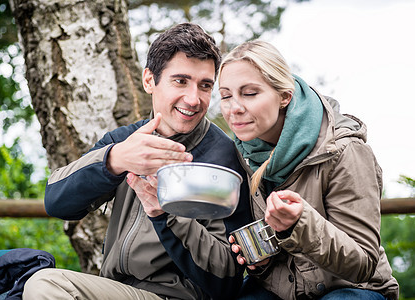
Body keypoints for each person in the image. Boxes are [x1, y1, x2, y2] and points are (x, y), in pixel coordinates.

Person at [22, 23, 252, 300]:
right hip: (115, 288)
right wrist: (114, 160)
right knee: (30, 279)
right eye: (180, 81)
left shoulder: (223, 157)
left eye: (205, 86)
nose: (193, 99)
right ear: (149, 81)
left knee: (46, 285)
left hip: (178, 296)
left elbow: (226, 278)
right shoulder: (125, 140)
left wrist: (164, 214)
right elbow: (57, 202)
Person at [217, 40, 399, 299]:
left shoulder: (344, 150)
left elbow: (363, 264)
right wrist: (261, 263)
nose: (234, 108)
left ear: (284, 96)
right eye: (225, 96)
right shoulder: (242, 151)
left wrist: (299, 224)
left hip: (351, 289)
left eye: (249, 93)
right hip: (283, 289)